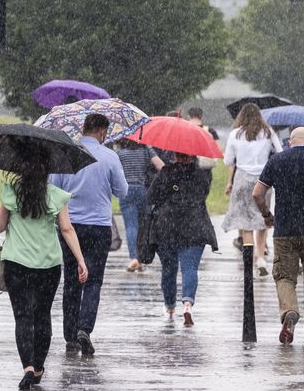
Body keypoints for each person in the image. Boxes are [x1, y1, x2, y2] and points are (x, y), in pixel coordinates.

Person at [0, 148, 89, 391]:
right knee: (42, 315)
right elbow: (67, 230)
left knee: (23, 316)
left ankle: (27, 367)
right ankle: (39, 368)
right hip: (48, 265)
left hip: (16, 265)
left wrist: (8, 211)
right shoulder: (56, 196)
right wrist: (80, 260)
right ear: (47, 170)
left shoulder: (11, 193)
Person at [50, 113, 128, 355]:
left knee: (72, 279)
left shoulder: (66, 154)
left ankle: (70, 335)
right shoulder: (110, 157)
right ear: (103, 132)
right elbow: (122, 191)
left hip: (69, 226)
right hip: (99, 226)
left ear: (83, 129)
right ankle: (85, 327)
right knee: (93, 280)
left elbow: (53, 187)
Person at [252, 128, 304, 346]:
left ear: (290, 142)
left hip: (284, 230)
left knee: (284, 276)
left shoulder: (277, 160)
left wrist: (267, 215)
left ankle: (289, 312)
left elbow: (257, 193)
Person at [145, 152, 218, 324]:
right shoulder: (201, 174)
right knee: (189, 268)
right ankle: (187, 304)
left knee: (169, 270)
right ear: (193, 156)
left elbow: (151, 197)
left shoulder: (165, 172)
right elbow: (203, 194)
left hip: (166, 227)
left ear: (174, 154)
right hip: (195, 225)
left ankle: (170, 307)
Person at [223, 103, 282, 277]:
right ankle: (261, 257)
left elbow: (227, 161)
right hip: (263, 179)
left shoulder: (235, 134)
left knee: (245, 220)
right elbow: (279, 152)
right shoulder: (268, 132)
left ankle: (249, 255)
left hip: (242, 178)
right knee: (262, 216)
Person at [115, 138, 164, 272]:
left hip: (126, 191)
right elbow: (161, 166)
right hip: (142, 190)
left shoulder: (120, 153)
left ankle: (133, 258)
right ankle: (141, 258)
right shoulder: (144, 151)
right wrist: (148, 146)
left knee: (131, 225)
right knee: (143, 227)